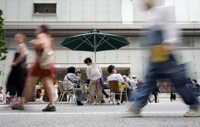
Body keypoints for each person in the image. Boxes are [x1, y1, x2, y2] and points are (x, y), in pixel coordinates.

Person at [127, 0, 200, 117]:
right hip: (155, 55)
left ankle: (195, 105)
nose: (142, 3)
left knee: (178, 80)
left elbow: (171, 27)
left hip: (164, 52)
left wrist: (170, 43)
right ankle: (137, 106)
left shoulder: (162, 11)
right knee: (149, 80)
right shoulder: (150, 15)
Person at [23, 25, 56, 111]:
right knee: (49, 83)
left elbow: (41, 44)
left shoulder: (41, 35)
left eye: (37, 29)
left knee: (29, 82)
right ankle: (52, 104)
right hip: (48, 63)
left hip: (39, 63)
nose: (36, 30)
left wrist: (33, 42)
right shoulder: (49, 37)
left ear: (41, 29)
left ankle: (22, 102)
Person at [6, 33, 28, 110]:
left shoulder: (21, 45)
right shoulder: (24, 46)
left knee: (11, 83)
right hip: (22, 68)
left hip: (18, 67)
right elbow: (26, 58)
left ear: (23, 38)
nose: (17, 38)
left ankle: (15, 102)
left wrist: (15, 63)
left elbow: (22, 55)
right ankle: (20, 103)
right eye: (16, 37)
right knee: (20, 85)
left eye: (19, 37)